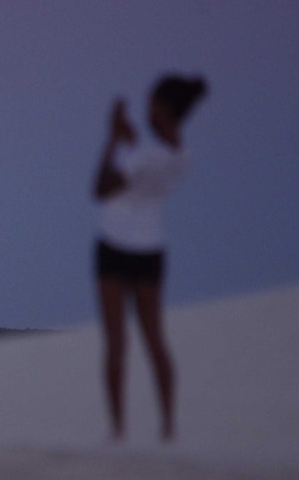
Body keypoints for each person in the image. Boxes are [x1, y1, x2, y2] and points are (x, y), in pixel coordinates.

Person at [92, 74, 207, 441]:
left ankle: (118, 429)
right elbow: (149, 164)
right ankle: (168, 427)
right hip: (151, 251)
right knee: (155, 340)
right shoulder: (181, 157)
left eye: (153, 106)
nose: (148, 113)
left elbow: (100, 187)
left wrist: (113, 138)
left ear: (166, 109)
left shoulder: (144, 157)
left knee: (117, 345)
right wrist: (130, 140)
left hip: (114, 247)